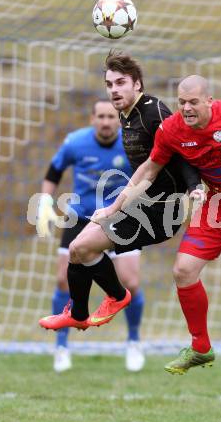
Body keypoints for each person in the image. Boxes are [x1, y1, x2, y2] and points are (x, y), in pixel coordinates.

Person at [91, 75, 221, 405]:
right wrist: (114, 207)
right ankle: (200, 346)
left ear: (209, 101)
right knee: (183, 271)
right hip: (215, 203)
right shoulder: (172, 129)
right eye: (181, 101)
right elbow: (148, 170)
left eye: (193, 102)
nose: (185, 108)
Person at [38, 53, 202, 354]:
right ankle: (80, 314)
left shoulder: (153, 112)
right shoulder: (127, 116)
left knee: (88, 251)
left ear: (137, 84)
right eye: (109, 84)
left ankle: (115, 301)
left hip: (162, 210)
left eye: (121, 83)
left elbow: (184, 150)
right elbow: (148, 168)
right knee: (78, 248)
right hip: (143, 204)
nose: (114, 89)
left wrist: (194, 187)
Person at [37, 99, 145, 372]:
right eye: (101, 116)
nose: (106, 122)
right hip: (80, 217)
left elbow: (149, 171)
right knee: (63, 280)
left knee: (130, 282)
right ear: (92, 118)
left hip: (121, 217)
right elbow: (53, 171)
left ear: (118, 119)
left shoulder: (131, 143)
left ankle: (133, 341)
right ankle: (62, 346)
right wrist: (44, 202)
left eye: (111, 116)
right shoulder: (75, 142)